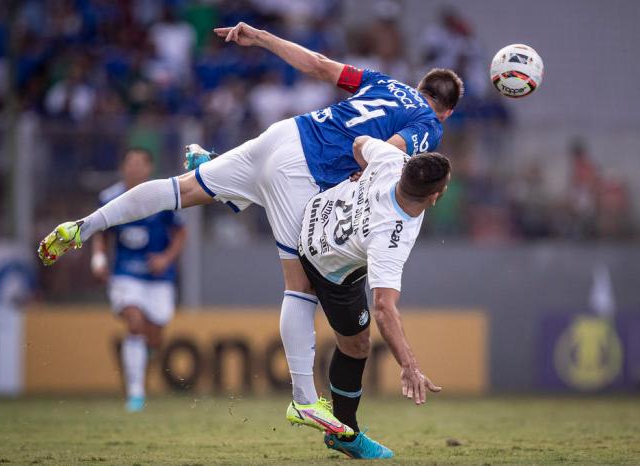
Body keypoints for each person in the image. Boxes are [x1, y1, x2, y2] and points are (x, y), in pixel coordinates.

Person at [37, 22, 463, 434]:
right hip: (303, 171)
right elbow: (388, 156)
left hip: (284, 134)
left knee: (179, 189)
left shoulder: (385, 82)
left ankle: (85, 226)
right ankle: (302, 398)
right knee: (301, 285)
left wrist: (260, 37)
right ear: (446, 109)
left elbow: (316, 63)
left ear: (421, 86)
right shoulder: (429, 125)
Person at [297, 136, 449, 458]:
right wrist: (408, 365)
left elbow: (359, 142)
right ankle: (345, 432)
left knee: (355, 338)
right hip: (327, 262)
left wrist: (363, 170)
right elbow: (383, 308)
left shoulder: (392, 160)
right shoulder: (391, 237)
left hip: (316, 212)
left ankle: (340, 425)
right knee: (357, 346)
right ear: (435, 197)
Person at [91, 148, 187, 412]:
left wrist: (166, 259)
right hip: (125, 274)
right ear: (123, 167)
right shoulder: (109, 197)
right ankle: (135, 393)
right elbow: (100, 231)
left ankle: (138, 367)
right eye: (129, 163)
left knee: (154, 337)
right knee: (134, 323)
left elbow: (180, 233)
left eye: (139, 164)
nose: (134, 168)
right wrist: (98, 260)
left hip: (158, 277)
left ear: (148, 168)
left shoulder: (162, 195)